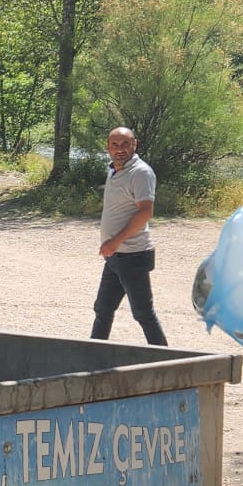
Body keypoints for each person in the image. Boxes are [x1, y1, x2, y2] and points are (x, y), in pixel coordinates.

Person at [91, 126, 168, 345]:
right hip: (115, 256)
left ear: (134, 145)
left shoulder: (140, 172)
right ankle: (92, 356)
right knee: (103, 309)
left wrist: (114, 241)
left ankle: (165, 361)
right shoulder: (114, 169)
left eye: (125, 144)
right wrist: (112, 246)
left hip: (133, 255)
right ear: (108, 148)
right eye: (115, 145)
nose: (120, 150)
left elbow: (146, 212)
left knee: (143, 313)